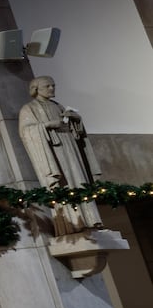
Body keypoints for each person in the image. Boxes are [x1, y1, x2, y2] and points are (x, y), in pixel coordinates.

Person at [18, 76, 102, 231]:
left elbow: (75, 132)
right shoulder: (29, 109)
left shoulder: (58, 106)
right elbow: (26, 132)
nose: (52, 88)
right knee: (65, 184)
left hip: (71, 149)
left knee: (79, 181)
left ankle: (91, 220)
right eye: (47, 86)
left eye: (53, 85)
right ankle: (73, 224)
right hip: (55, 155)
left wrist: (76, 120)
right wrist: (48, 125)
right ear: (36, 89)